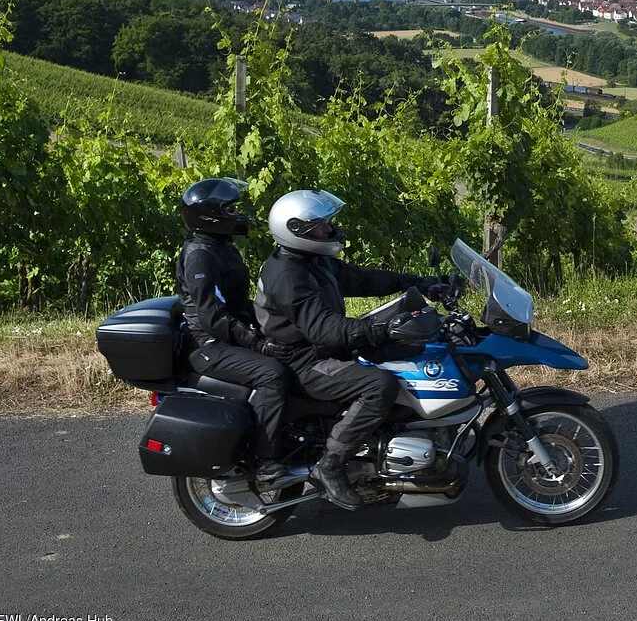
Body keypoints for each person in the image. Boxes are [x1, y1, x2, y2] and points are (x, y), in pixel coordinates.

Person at [254, 189, 443, 510]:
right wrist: (380, 330)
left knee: (408, 351)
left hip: (316, 349)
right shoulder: (289, 275)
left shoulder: (309, 260)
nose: (329, 230)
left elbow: (358, 278)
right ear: (296, 230)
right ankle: (330, 464)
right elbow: (324, 330)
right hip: (304, 361)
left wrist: (415, 282)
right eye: (321, 226)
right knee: (379, 386)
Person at [176, 177, 296, 487]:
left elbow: (238, 304)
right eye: (230, 208)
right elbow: (212, 316)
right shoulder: (200, 254)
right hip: (209, 345)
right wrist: (258, 343)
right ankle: (265, 459)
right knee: (271, 373)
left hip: (226, 336)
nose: (238, 214)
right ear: (210, 215)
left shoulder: (220, 247)